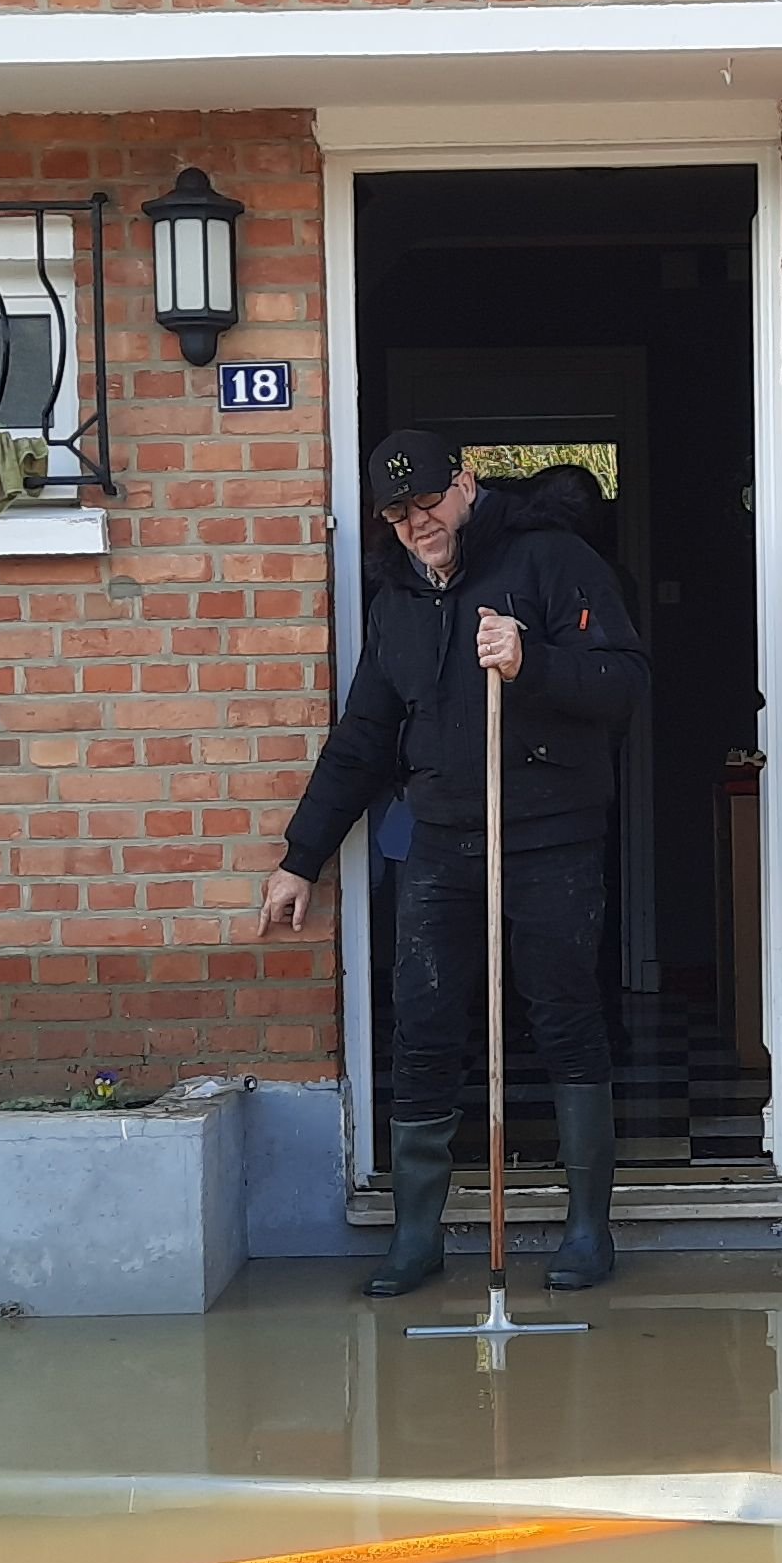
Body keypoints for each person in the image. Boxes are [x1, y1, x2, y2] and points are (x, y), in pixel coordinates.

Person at [263, 431, 648, 1297]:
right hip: (440, 839)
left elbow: (625, 682)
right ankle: (415, 1234)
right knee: (423, 1029)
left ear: (467, 484)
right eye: (397, 514)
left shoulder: (552, 560)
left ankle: (589, 1229)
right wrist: (301, 857)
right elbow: (364, 738)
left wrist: (532, 660)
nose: (417, 523)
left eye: (428, 502)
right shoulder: (395, 595)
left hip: (550, 833)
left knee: (565, 1020)